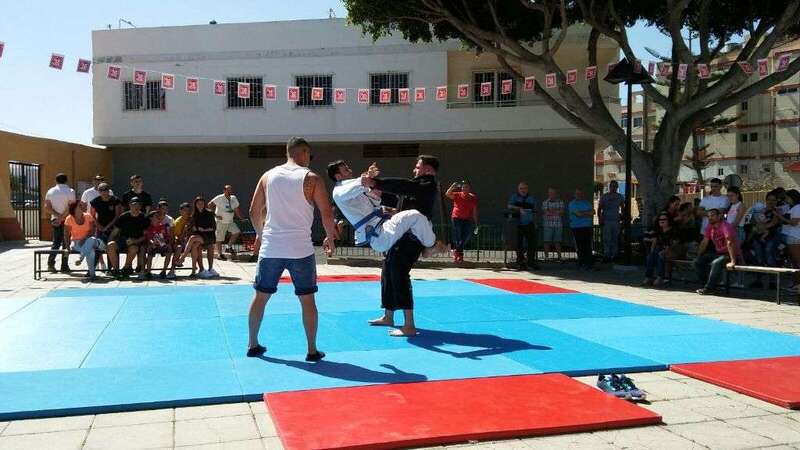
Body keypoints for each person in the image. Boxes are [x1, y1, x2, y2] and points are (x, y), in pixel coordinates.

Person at [247, 137, 336, 361]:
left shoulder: (268, 176)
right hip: (300, 249)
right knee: (307, 300)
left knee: (261, 297)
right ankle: (312, 350)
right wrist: (330, 238)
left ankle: (252, 343)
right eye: (309, 155)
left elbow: (253, 211)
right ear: (304, 152)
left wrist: (261, 235)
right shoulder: (312, 178)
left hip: (271, 248)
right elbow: (326, 213)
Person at [361, 155, 440, 337]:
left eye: (418, 167)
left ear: (428, 170)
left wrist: (377, 182)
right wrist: (377, 189)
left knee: (399, 272)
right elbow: (398, 196)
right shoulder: (416, 188)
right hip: (400, 235)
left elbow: (403, 186)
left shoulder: (427, 185)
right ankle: (388, 316)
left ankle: (409, 325)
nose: (414, 170)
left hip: (412, 238)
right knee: (388, 270)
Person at [328, 160, 446, 256]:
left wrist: (371, 186)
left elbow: (374, 200)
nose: (350, 171)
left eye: (348, 168)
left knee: (422, 221)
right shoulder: (339, 191)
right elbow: (358, 185)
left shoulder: (352, 189)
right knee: (414, 215)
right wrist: (367, 178)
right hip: (379, 236)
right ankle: (431, 246)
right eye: (346, 170)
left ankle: (426, 244)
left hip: (383, 229)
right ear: (338, 176)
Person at [694, 208, 740, 295]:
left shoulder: (725, 226)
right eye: (708, 216)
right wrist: (698, 255)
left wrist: (733, 261)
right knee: (698, 261)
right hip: (719, 254)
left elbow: (730, 243)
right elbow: (704, 242)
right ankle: (706, 285)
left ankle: (709, 288)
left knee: (716, 263)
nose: (710, 218)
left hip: (731, 254)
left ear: (719, 216)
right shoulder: (710, 227)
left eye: (712, 215)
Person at [106, 197, 150, 279]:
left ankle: (126, 268)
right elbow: (115, 232)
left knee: (134, 249)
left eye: (139, 205)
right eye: (134, 204)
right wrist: (109, 242)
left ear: (141, 206)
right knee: (110, 245)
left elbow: (146, 235)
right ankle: (116, 270)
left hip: (136, 241)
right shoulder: (123, 216)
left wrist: (135, 240)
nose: (136, 206)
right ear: (130, 205)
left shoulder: (144, 218)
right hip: (123, 240)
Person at [44, 173, 76, 273]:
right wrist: (62, 217)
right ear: (66, 180)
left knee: (56, 242)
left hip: (55, 220)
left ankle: (50, 264)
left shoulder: (50, 191)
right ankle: (64, 266)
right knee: (66, 243)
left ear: (56, 180)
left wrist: (57, 217)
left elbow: (47, 207)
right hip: (68, 220)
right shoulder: (70, 191)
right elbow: (71, 207)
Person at [63, 201, 102, 281]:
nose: (83, 206)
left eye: (82, 205)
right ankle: (92, 275)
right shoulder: (69, 218)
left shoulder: (88, 216)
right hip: (76, 242)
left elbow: (92, 232)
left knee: (91, 240)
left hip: (89, 239)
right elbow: (66, 235)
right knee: (91, 251)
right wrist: (67, 247)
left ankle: (80, 258)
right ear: (74, 208)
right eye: (80, 205)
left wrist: (84, 239)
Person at [90, 183, 122, 272]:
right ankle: (91, 270)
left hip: (113, 228)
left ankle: (112, 269)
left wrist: (107, 227)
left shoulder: (115, 200)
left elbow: (117, 215)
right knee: (98, 247)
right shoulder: (95, 201)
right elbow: (92, 215)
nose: (104, 192)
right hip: (100, 228)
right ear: (98, 191)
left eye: (106, 189)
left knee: (111, 247)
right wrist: (99, 226)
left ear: (109, 190)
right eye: (101, 190)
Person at [507, 182, 539, 270]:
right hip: (517, 224)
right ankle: (520, 263)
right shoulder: (514, 197)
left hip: (529, 223)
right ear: (518, 189)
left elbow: (534, 211)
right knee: (518, 244)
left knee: (532, 244)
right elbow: (509, 206)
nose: (523, 190)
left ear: (527, 189)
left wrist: (535, 223)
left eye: (524, 188)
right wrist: (519, 209)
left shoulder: (531, 198)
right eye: (521, 188)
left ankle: (531, 262)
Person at [184, 197, 218, 279]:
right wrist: (193, 228)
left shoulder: (209, 213)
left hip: (209, 236)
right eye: (198, 203)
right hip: (198, 236)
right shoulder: (194, 215)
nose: (200, 205)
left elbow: (214, 227)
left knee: (207, 245)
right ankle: (201, 269)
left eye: (202, 203)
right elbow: (192, 228)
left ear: (204, 204)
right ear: (195, 204)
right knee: (195, 245)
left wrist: (204, 229)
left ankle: (210, 268)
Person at [445, 180, 478, 262]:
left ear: (469, 188)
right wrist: (452, 186)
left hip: (468, 219)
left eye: (466, 187)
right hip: (457, 218)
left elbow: (474, 210)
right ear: (461, 188)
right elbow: (447, 194)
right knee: (458, 236)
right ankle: (460, 254)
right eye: (463, 187)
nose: (464, 188)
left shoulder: (473, 197)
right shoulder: (457, 194)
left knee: (465, 236)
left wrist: (476, 222)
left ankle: (457, 251)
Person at [209, 185, 244, 260]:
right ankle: (219, 254)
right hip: (221, 222)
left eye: (230, 190)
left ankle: (228, 247)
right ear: (224, 190)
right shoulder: (219, 198)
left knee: (236, 232)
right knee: (219, 238)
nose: (229, 191)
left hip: (230, 221)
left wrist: (241, 218)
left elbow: (236, 209)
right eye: (228, 190)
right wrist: (215, 215)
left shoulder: (233, 198)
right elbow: (209, 205)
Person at [642, 212, 677, 287]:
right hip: (659, 250)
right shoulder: (659, 231)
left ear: (669, 220)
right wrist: (652, 252)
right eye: (660, 220)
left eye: (664, 219)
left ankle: (660, 277)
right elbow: (655, 242)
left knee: (660, 255)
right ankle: (648, 277)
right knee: (651, 256)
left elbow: (674, 244)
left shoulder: (673, 231)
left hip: (670, 250)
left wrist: (665, 251)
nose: (661, 221)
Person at [143, 210, 176, 279]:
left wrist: (166, 242)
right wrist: (153, 243)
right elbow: (149, 238)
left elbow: (167, 237)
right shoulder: (149, 228)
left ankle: (164, 271)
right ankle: (148, 272)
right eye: (156, 216)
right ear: (151, 218)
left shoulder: (164, 226)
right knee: (150, 251)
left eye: (158, 216)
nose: (158, 217)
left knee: (169, 250)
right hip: (153, 245)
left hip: (162, 245)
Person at [597, 180, 624, 262]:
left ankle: (615, 255)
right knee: (607, 239)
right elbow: (599, 209)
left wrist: (622, 218)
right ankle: (606, 255)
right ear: (609, 187)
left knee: (615, 239)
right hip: (606, 221)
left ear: (617, 187)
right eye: (611, 186)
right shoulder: (604, 196)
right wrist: (600, 219)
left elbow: (623, 208)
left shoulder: (620, 196)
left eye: (615, 186)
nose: (613, 188)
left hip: (616, 221)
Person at [568, 188, 595, 269]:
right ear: (574, 195)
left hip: (587, 227)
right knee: (580, 246)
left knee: (588, 245)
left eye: (580, 193)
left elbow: (593, 212)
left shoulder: (587, 203)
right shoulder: (572, 204)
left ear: (583, 194)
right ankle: (581, 262)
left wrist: (582, 213)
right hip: (577, 227)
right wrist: (587, 213)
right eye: (577, 194)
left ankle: (589, 262)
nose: (579, 195)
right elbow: (578, 214)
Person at [541, 187, 565, 262]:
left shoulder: (561, 202)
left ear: (556, 194)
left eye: (553, 193)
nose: (552, 194)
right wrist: (557, 211)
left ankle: (560, 257)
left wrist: (551, 211)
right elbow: (546, 212)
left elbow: (562, 212)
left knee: (558, 242)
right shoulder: (545, 202)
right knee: (546, 241)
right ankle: (546, 257)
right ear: (548, 193)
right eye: (550, 193)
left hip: (558, 225)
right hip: (547, 225)